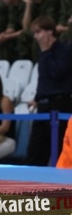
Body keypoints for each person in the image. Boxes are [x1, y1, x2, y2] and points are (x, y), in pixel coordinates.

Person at [25, 16, 72, 166]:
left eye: (38, 32)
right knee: (35, 151)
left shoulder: (65, 50)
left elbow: (56, 73)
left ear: (49, 31)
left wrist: (46, 52)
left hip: (59, 104)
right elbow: (43, 79)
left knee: (58, 149)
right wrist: (37, 98)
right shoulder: (43, 53)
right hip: (43, 106)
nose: (35, 36)